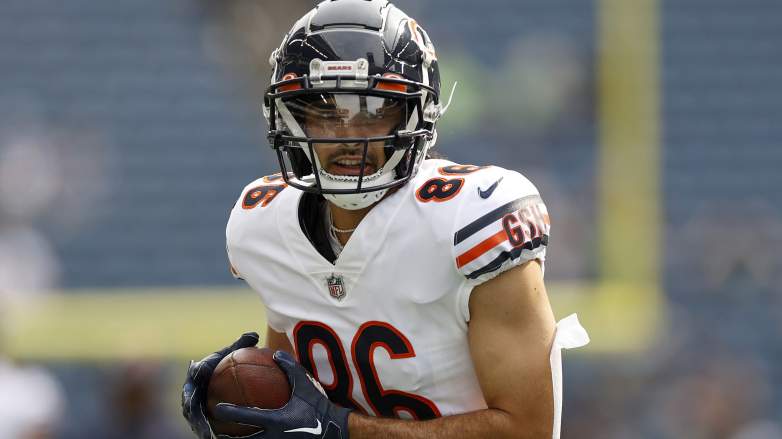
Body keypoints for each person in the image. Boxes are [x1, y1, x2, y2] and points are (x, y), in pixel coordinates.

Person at [182, 1, 588, 438]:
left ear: (417, 114)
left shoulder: (470, 218)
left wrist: (344, 429)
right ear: (290, 117)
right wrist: (245, 404)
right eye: (325, 111)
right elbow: (300, 397)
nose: (348, 137)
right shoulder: (261, 227)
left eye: (374, 111)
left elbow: (529, 430)